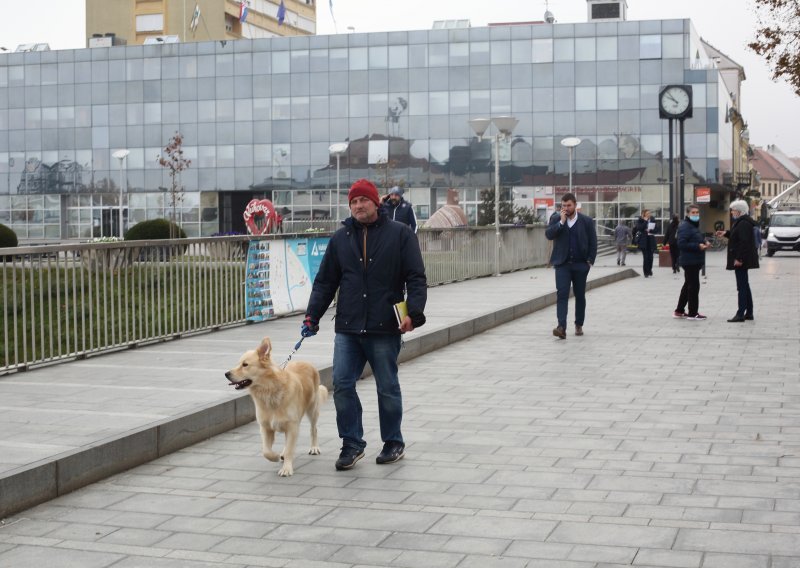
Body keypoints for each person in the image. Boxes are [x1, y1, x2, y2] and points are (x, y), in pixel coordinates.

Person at [302, 178, 427, 471]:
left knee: (387, 386)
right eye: (354, 202)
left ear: (376, 202)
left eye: (364, 200)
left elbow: (416, 278)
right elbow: (325, 282)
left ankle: (393, 442)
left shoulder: (400, 234)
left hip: (385, 326)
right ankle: (352, 444)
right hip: (347, 325)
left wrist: (414, 313)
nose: (358, 206)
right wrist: (312, 316)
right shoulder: (340, 238)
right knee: (342, 384)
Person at [545, 192, 597, 339]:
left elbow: (593, 242)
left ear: (575, 205)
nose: (566, 208)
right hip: (562, 264)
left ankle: (579, 324)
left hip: (581, 264)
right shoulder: (556, 218)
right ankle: (561, 327)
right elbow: (549, 235)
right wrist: (561, 223)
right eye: (563, 206)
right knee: (562, 294)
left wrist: (590, 261)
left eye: (569, 205)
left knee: (580, 295)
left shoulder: (586, 221)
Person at [716, 199, 759, 322]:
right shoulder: (742, 222)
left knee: (742, 287)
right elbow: (737, 236)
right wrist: (726, 233)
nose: (731, 213)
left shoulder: (743, 223)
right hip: (742, 259)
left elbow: (744, 242)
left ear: (739, 211)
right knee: (745, 285)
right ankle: (749, 312)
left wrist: (739, 259)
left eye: (733, 211)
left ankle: (740, 313)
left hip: (741, 260)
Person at [674, 203, 711, 321]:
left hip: (694, 260)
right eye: (693, 213)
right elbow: (681, 243)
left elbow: (695, 238)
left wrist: (704, 242)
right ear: (688, 214)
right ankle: (693, 313)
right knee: (693, 286)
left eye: (697, 213)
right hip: (690, 260)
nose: (695, 215)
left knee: (688, 285)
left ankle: (679, 311)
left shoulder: (693, 225)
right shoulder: (685, 226)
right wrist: (698, 246)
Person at [633, 209, 657, 277]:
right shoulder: (640, 220)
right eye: (647, 213)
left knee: (651, 257)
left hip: (651, 240)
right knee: (646, 257)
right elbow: (639, 228)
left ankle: (650, 270)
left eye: (650, 213)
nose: (649, 214)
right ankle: (646, 272)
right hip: (643, 241)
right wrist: (645, 221)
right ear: (644, 214)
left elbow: (656, 229)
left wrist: (651, 230)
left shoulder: (652, 219)